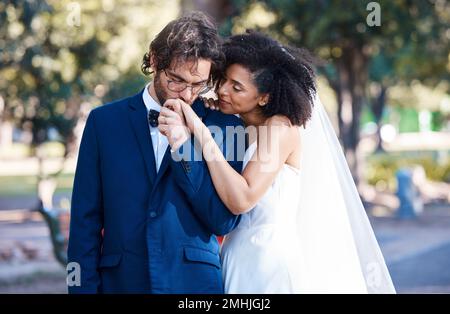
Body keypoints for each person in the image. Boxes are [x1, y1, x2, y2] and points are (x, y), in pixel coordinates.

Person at [159, 31, 396, 293]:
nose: (223, 90)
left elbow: (243, 197)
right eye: (224, 80)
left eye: (237, 87)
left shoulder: (280, 128)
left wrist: (198, 129)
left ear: (264, 97)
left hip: (269, 263)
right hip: (236, 256)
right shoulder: (239, 126)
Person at [67, 12, 243, 294]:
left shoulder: (227, 126)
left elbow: (223, 220)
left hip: (195, 287)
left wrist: (184, 148)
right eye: (177, 80)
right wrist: (80, 290)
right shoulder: (103, 122)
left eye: (199, 84)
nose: (187, 95)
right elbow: (84, 221)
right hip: (121, 284)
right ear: (154, 59)